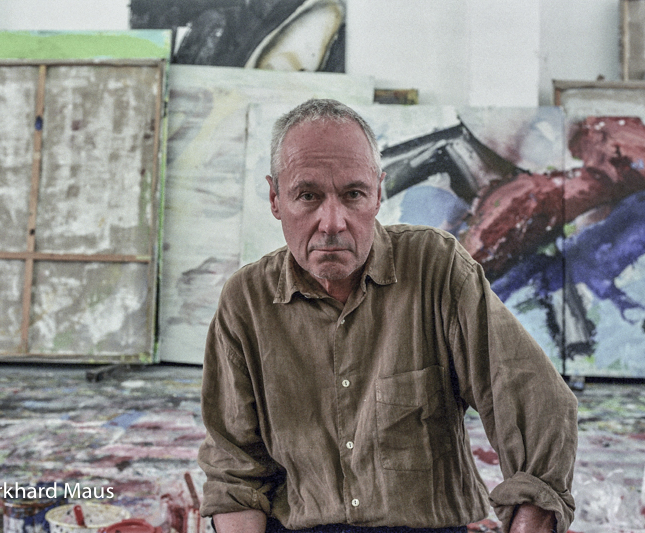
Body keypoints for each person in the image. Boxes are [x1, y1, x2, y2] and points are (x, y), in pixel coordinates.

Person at [197, 99, 578, 533]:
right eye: (308, 196)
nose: (332, 222)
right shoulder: (247, 301)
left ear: (378, 193)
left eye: (353, 194)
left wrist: (531, 516)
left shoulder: (436, 268)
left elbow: (537, 402)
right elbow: (235, 473)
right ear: (275, 198)